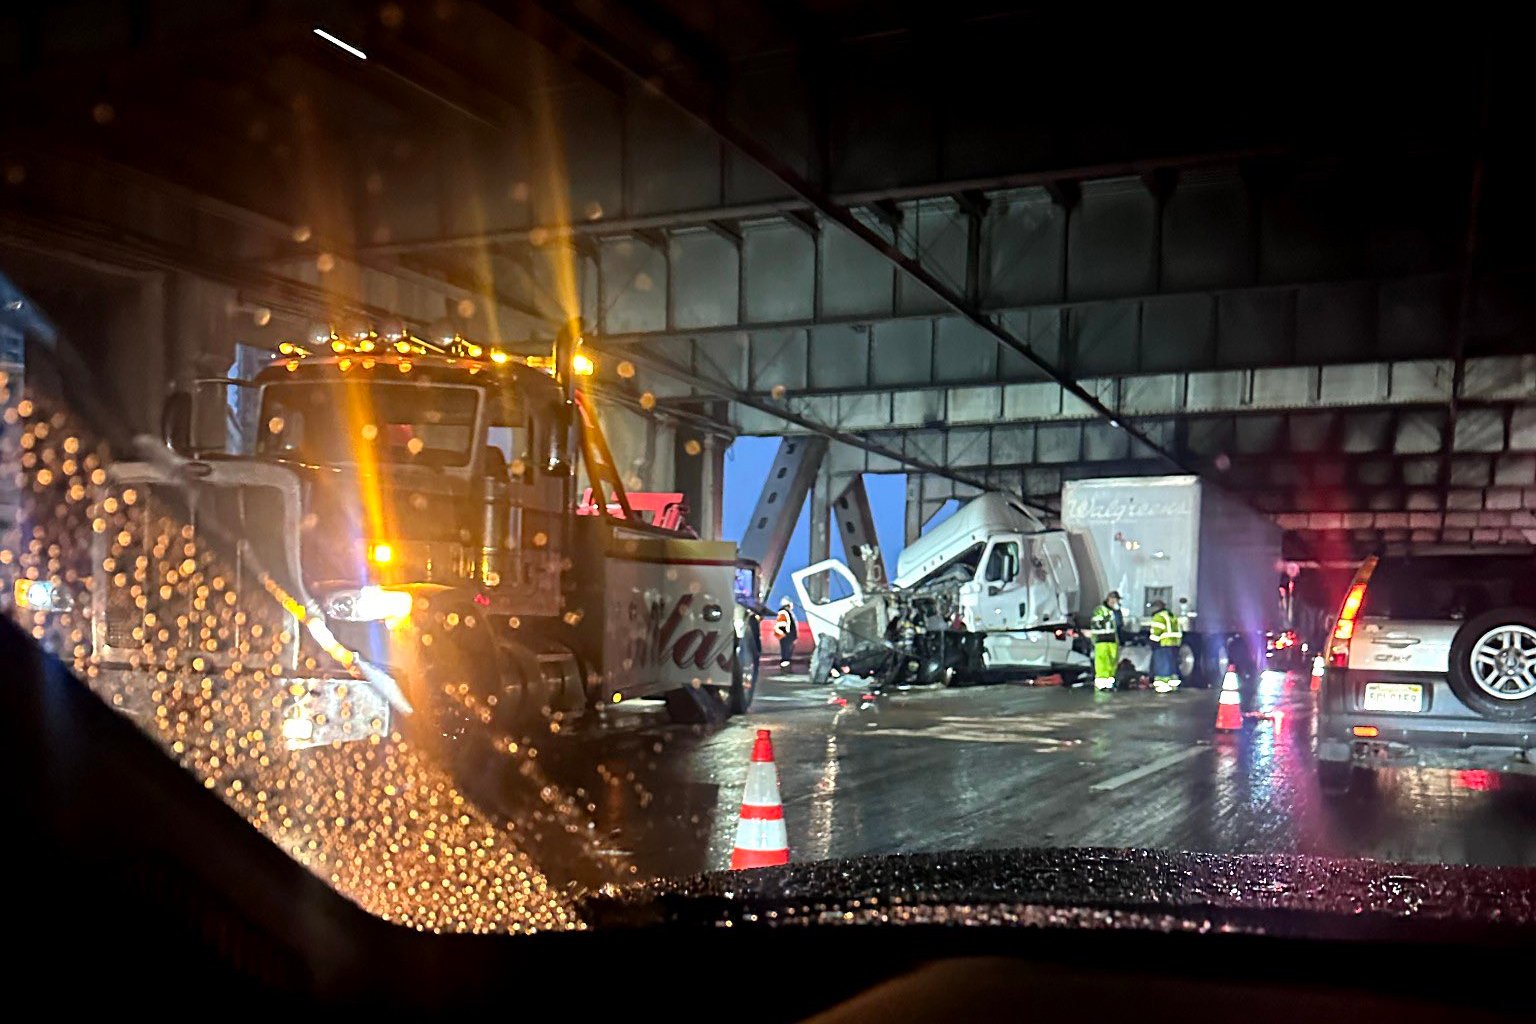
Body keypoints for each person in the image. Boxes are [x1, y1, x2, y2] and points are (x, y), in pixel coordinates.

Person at [1148, 598, 1184, 693]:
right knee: (1172, 666)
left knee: (1162, 666)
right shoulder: (1171, 616)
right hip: (1174, 644)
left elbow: (1156, 633)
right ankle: (1173, 685)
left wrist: (1152, 643)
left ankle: (1163, 686)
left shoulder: (1158, 617)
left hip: (1163, 644)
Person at [1089, 591, 1121, 691]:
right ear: (1109, 599)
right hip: (1101, 640)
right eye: (1114, 599)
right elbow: (1096, 626)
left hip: (1112, 641)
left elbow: (1119, 625)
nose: (1115, 602)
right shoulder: (1100, 610)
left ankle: (1109, 684)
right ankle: (1102, 685)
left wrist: (1117, 612)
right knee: (1102, 663)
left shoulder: (1115, 611)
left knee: (1112, 663)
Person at [774, 597, 798, 670]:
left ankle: (786, 667)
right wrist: (786, 636)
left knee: (787, 653)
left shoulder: (787, 612)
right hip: (786, 637)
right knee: (786, 653)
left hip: (787, 637)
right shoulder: (784, 612)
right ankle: (785, 668)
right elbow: (782, 625)